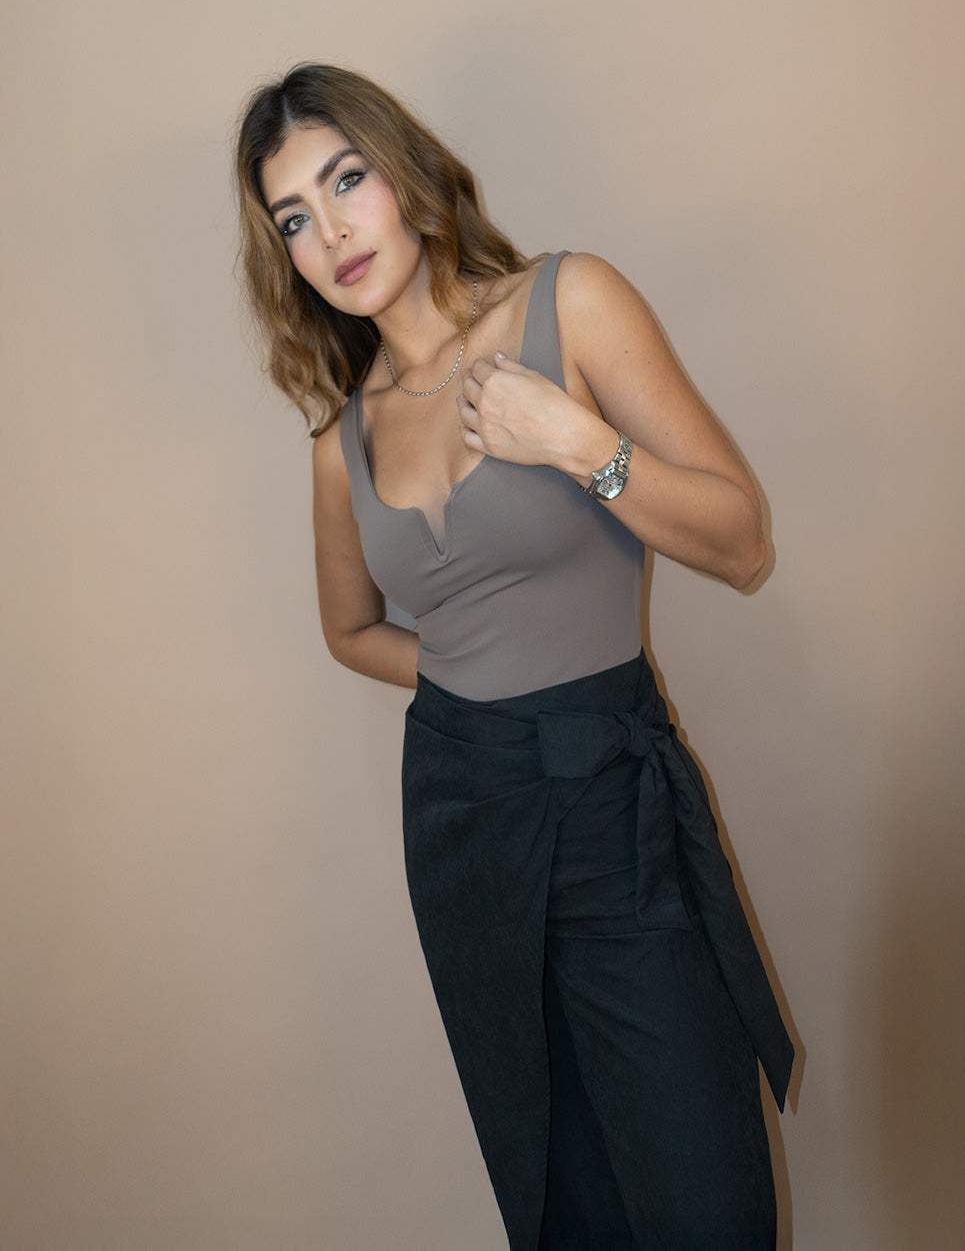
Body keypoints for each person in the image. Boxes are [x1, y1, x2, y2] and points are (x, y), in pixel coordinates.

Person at [235, 63, 793, 1250]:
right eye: (293, 218)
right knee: (562, 1189)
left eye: (346, 180)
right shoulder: (341, 446)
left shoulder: (569, 303)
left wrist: (580, 444)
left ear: (404, 174)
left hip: (611, 800)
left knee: (705, 1196)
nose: (330, 231)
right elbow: (351, 632)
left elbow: (743, 544)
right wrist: (470, 694)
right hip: (465, 820)